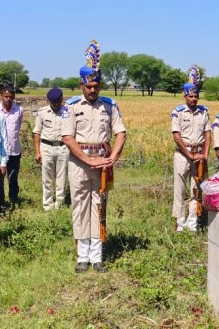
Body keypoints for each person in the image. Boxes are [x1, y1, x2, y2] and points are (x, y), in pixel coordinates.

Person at [61, 40, 126, 273]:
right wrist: (88, 160)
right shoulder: (71, 106)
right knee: (80, 206)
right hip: (80, 162)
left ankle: (97, 256)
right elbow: (68, 138)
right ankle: (82, 256)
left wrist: (113, 157)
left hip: (102, 161)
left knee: (99, 205)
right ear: (81, 84)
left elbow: (120, 133)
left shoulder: (109, 106)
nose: (92, 90)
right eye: (88, 87)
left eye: (96, 86)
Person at [170, 66, 210, 232]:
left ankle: (193, 221)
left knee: (197, 188)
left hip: (199, 154)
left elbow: (208, 134)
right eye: (190, 96)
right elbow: (177, 137)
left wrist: (205, 155)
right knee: (180, 188)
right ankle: (180, 222)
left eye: (196, 96)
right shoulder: (178, 112)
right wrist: (189, 154)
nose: (193, 99)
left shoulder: (204, 112)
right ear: (185, 96)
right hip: (183, 154)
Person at [34, 88, 68, 211]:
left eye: (58, 101)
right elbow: (37, 133)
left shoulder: (67, 112)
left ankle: (60, 203)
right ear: (49, 101)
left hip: (63, 147)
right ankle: (48, 205)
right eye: (53, 102)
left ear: (62, 99)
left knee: (62, 177)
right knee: (47, 177)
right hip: (46, 147)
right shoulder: (42, 112)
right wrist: (37, 152)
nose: (56, 104)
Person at [0, 85, 23, 207]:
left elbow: (19, 127)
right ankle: (0, 201)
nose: (8, 99)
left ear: (14, 97)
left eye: (11, 97)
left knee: (13, 178)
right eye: (6, 96)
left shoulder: (19, 110)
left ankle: (13, 199)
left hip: (14, 150)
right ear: (1, 96)